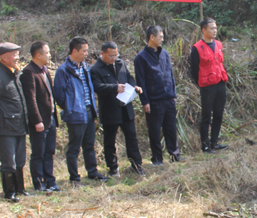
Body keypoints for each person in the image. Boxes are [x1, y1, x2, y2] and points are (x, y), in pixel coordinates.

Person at [53, 36, 108, 186]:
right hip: (75, 114)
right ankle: (74, 177)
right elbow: (59, 95)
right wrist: (71, 107)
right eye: (84, 51)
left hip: (89, 112)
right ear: (74, 51)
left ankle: (92, 172)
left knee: (89, 145)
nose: (86, 53)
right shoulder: (63, 70)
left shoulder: (84, 67)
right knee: (74, 148)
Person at [90, 41, 145, 177]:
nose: (114, 58)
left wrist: (135, 86)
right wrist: (114, 88)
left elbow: (129, 78)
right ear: (102, 53)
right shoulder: (95, 69)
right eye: (111, 56)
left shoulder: (121, 63)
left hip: (125, 107)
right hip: (109, 109)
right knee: (110, 140)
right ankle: (113, 168)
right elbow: (97, 87)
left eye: (116, 55)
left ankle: (137, 165)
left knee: (132, 137)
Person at [134, 25, 183, 165]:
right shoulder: (141, 58)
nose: (162, 39)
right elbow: (141, 81)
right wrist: (145, 101)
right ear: (152, 37)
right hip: (154, 101)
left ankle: (174, 155)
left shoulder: (165, 54)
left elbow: (170, 75)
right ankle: (157, 158)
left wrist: (174, 94)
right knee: (155, 131)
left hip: (168, 98)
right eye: (160, 36)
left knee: (171, 128)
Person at [0, 42, 30, 203]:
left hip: (20, 124)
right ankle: (9, 192)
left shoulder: (15, 73)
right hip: (6, 127)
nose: (17, 57)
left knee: (20, 160)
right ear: (4, 57)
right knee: (9, 162)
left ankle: (20, 188)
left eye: (17, 54)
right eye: (13, 55)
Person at [20, 40, 60, 192]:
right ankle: (39, 183)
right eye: (47, 52)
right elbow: (30, 100)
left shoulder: (45, 70)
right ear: (38, 55)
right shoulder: (29, 72)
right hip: (40, 121)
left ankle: (50, 181)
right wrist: (37, 120)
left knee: (49, 152)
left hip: (50, 118)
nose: (49, 55)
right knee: (38, 153)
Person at [189, 18, 229, 153]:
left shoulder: (218, 44)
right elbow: (194, 70)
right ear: (203, 30)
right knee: (206, 116)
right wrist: (202, 84)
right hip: (207, 87)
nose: (214, 31)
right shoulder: (197, 48)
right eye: (211, 28)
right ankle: (205, 145)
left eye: (216, 28)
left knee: (218, 115)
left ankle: (215, 142)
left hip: (220, 84)